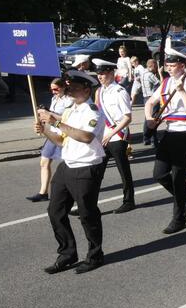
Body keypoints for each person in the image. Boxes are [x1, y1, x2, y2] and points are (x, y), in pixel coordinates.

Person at [34, 69, 106, 274]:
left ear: (85, 88)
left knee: (87, 214)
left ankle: (95, 255)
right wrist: (45, 129)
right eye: (68, 86)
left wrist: (55, 121)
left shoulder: (92, 111)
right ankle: (67, 253)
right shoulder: (70, 110)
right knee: (55, 211)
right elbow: (60, 140)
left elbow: (85, 137)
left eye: (73, 87)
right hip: (67, 165)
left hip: (86, 167)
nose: (68, 90)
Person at [144, 47, 186, 234]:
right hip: (169, 132)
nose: (168, 68)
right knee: (159, 174)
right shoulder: (166, 82)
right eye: (167, 65)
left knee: (177, 178)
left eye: (172, 65)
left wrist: (182, 92)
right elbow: (150, 103)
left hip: (184, 135)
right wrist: (149, 119)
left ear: (182, 66)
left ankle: (179, 217)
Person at [92, 59, 136, 213]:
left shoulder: (120, 91)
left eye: (103, 73)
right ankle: (90, 204)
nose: (100, 76)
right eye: (98, 74)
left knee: (123, 171)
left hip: (117, 136)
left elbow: (127, 117)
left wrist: (111, 132)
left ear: (111, 73)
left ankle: (129, 201)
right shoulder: (100, 91)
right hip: (103, 137)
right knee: (96, 173)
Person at [27, 78, 73, 202]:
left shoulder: (69, 100)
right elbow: (51, 116)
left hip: (64, 135)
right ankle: (43, 193)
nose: (53, 92)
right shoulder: (55, 99)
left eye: (56, 89)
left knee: (69, 165)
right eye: (51, 89)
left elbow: (66, 118)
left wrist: (49, 113)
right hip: (53, 134)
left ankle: (72, 189)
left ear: (63, 87)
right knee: (44, 162)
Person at [135, 59, 161, 146]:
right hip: (152, 98)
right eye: (156, 67)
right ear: (153, 66)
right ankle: (154, 139)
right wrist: (160, 74)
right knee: (154, 118)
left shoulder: (143, 74)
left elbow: (137, 80)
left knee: (147, 118)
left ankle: (146, 138)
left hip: (145, 97)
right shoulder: (150, 75)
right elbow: (161, 84)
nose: (156, 68)